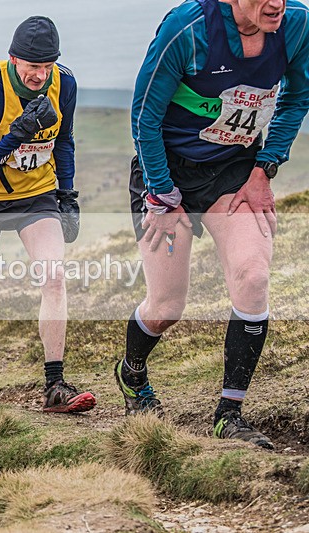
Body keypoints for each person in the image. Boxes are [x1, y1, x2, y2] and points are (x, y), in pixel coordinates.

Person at [118, 0, 309, 449]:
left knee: (254, 276)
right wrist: (162, 196)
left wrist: (265, 168)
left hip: (234, 171)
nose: (276, 4)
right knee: (166, 306)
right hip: (165, 173)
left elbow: (297, 97)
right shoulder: (189, 30)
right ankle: (132, 373)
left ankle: (229, 414)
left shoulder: (295, 25)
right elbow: (144, 115)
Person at [0, 16, 95, 413]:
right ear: (14, 59)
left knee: (54, 277)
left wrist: (67, 194)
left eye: (47, 66)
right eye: (33, 67)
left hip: (36, 194)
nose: (40, 75)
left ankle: (55, 384)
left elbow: (64, 141)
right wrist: (19, 131)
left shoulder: (64, 83)